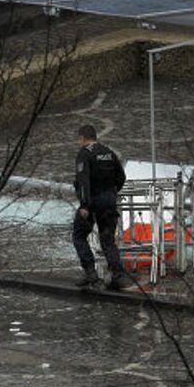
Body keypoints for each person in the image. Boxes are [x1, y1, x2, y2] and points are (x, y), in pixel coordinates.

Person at [72, 124, 126, 290]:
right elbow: (121, 177)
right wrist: (111, 192)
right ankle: (117, 276)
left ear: (82, 137)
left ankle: (91, 273)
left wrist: (84, 205)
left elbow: (83, 182)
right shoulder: (109, 152)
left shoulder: (84, 154)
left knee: (79, 235)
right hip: (109, 201)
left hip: (93, 202)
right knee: (108, 240)